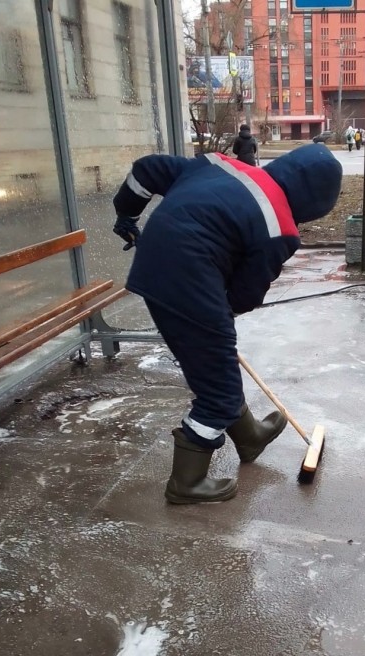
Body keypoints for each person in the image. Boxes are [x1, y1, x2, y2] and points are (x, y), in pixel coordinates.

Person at [112, 145, 343, 504]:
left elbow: (148, 170)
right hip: (187, 280)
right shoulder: (278, 225)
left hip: (153, 268)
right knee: (216, 393)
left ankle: (250, 437)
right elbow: (246, 294)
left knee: (216, 361)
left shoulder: (220, 165)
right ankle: (186, 483)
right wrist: (218, 317)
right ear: (314, 205)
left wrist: (126, 214)